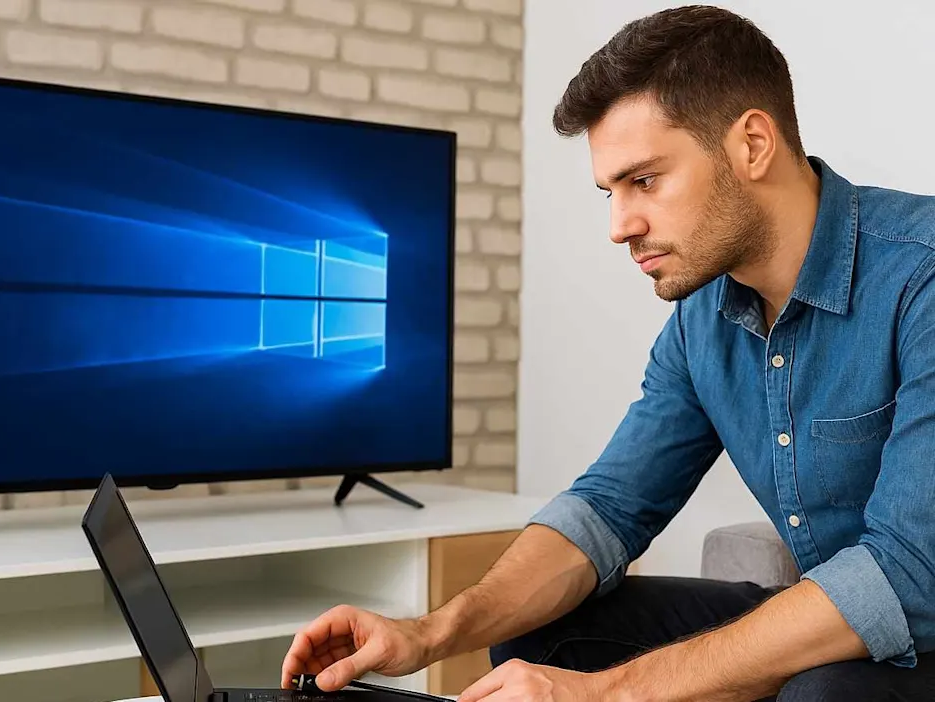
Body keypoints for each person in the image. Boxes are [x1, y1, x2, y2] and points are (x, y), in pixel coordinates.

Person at [280, 5, 935, 701]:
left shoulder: (920, 275)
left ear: (751, 145)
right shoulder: (702, 319)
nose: (620, 226)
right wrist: (431, 631)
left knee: (826, 694)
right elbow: (609, 509)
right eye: (610, 192)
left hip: (919, 617)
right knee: (542, 644)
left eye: (644, 180)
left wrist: (609, 693)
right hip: (841, 626)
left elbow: (907, 572)